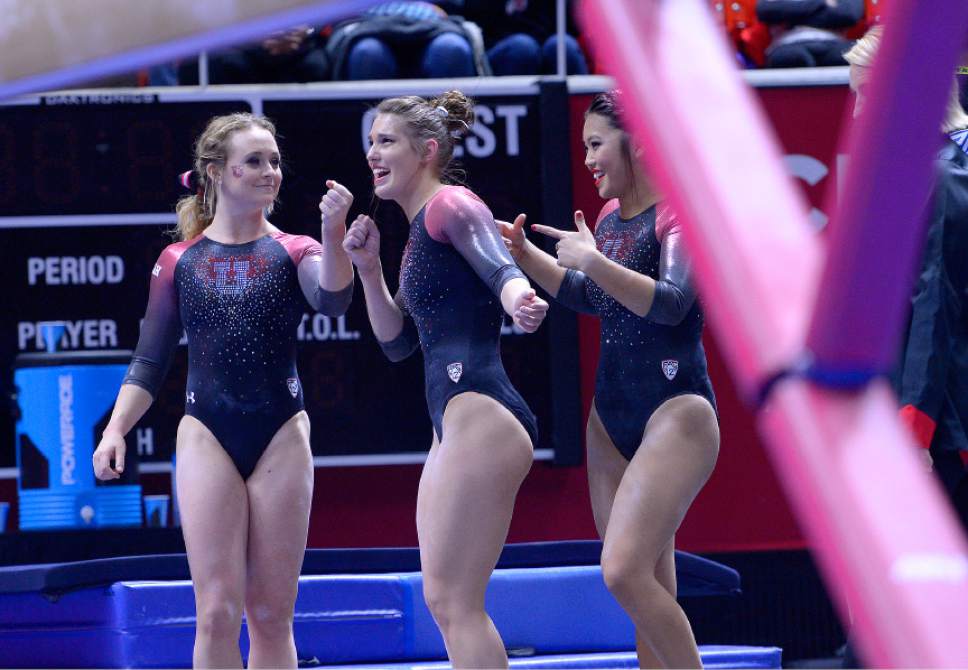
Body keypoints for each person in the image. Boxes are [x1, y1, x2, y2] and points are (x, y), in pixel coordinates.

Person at [92, 112, 354, 668]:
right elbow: (150, 359)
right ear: (215, 171)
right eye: (254, 161)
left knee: (269, 615)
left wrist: (333, 237)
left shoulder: (295, 249)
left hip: (281, 431)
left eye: (275, 161)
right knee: (215, 612)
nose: (270, 172)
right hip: (205, 431)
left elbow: (332, 300)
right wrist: (115, 429)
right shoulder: (179, 260)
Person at [499, 91, 719, 668]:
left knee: (621, 572)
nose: (589, 159)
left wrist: (594, 260)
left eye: (596, 144)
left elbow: (672, 304)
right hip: (610, 419)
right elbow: (593, 296)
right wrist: (527, 256)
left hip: (677, 411)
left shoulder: (679, 213)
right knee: (645, 587)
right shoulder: (606, 219)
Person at [340, 90, 548, 667]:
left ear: (427, 150)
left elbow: (497, 264)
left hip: (481, 410)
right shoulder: (416, 235)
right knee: (444, 597)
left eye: (386, 142)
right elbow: (397, 343)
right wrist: (367, 269)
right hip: (454, 418)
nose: (373, 154)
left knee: (457, 601)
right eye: (371, 142)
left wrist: (519, 298)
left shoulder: (451, 204)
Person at [847, 28, 968, 524]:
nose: (857, 113)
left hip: (944, 422)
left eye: (867, 94)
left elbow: (933, 303)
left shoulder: (938, 174)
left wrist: (913, 429)